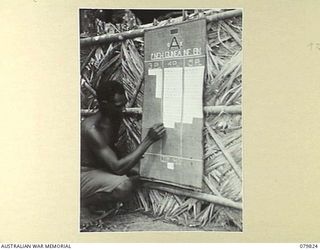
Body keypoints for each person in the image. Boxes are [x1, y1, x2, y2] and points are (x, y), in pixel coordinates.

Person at [81, 80, 165, 211]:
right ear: (104, 104)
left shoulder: (114, 117)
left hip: (102, 168)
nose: (123, 110)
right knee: (124, 186)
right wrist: (148, 140)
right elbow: (118, 168)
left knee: (143, 171)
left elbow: (112, 152)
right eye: (119, 106)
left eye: (124, 104)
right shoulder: (92, 129)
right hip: (84, 173)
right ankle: (82, 203)